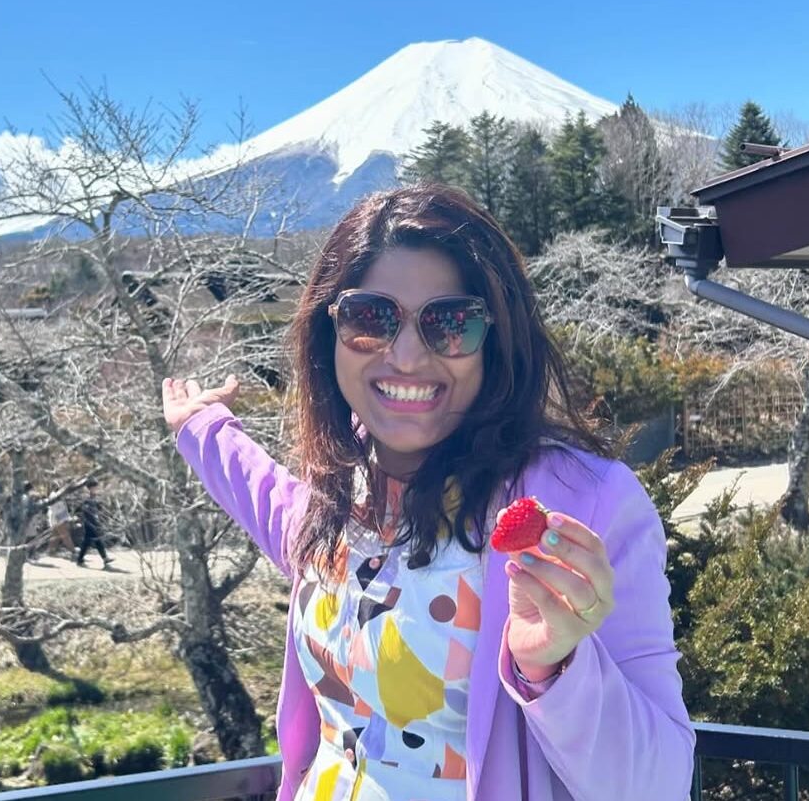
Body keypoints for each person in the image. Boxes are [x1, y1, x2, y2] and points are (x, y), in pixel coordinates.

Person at [162, 184, 694, 801]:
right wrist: (201, 430)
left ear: (495, 340)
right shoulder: (344, 490)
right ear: (328, 331)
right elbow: (269, 500)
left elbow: (658, 784)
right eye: (370, 317)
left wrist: (554, 668)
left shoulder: (585, 502)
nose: (407, 356)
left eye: (451, 323)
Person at [76, 478, 110, 568]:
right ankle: (104, 558)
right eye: (95, 487)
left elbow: (97, 508)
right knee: (94, 539)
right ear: (90, 488)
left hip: (93, 521)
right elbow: (82, 509)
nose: (96, 489)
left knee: (88, 541)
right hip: (88, 521)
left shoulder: (93, 497)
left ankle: (80, 559)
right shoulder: (86, 498)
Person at [46, 485, 76, 557]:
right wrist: (63, 519)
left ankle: (51, 551)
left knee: (55, 535)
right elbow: (56, 509)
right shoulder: (54, 496)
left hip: (58, 518)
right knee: (65, 535)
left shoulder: (58, 496)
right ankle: (73, 551)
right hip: (58, 519)